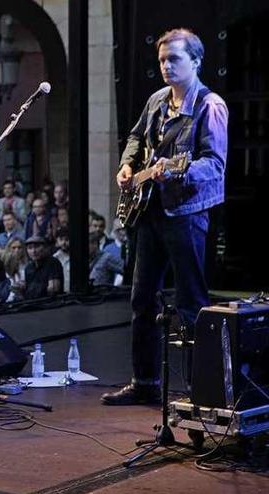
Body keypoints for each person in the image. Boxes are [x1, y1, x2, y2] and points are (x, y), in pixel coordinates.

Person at [103, 28, 227, 406]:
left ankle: (201, 393)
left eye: (174, 59)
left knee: (191, 303)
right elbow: (137, 139)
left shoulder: (210, 106)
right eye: (161, 60)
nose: (166, 66)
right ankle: (145, 382)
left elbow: (215, 165)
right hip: (150, 211)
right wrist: (127, 167)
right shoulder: (158, 100)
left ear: (196, 61)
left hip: (186, 213)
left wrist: (179, 172)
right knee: (142, 300)